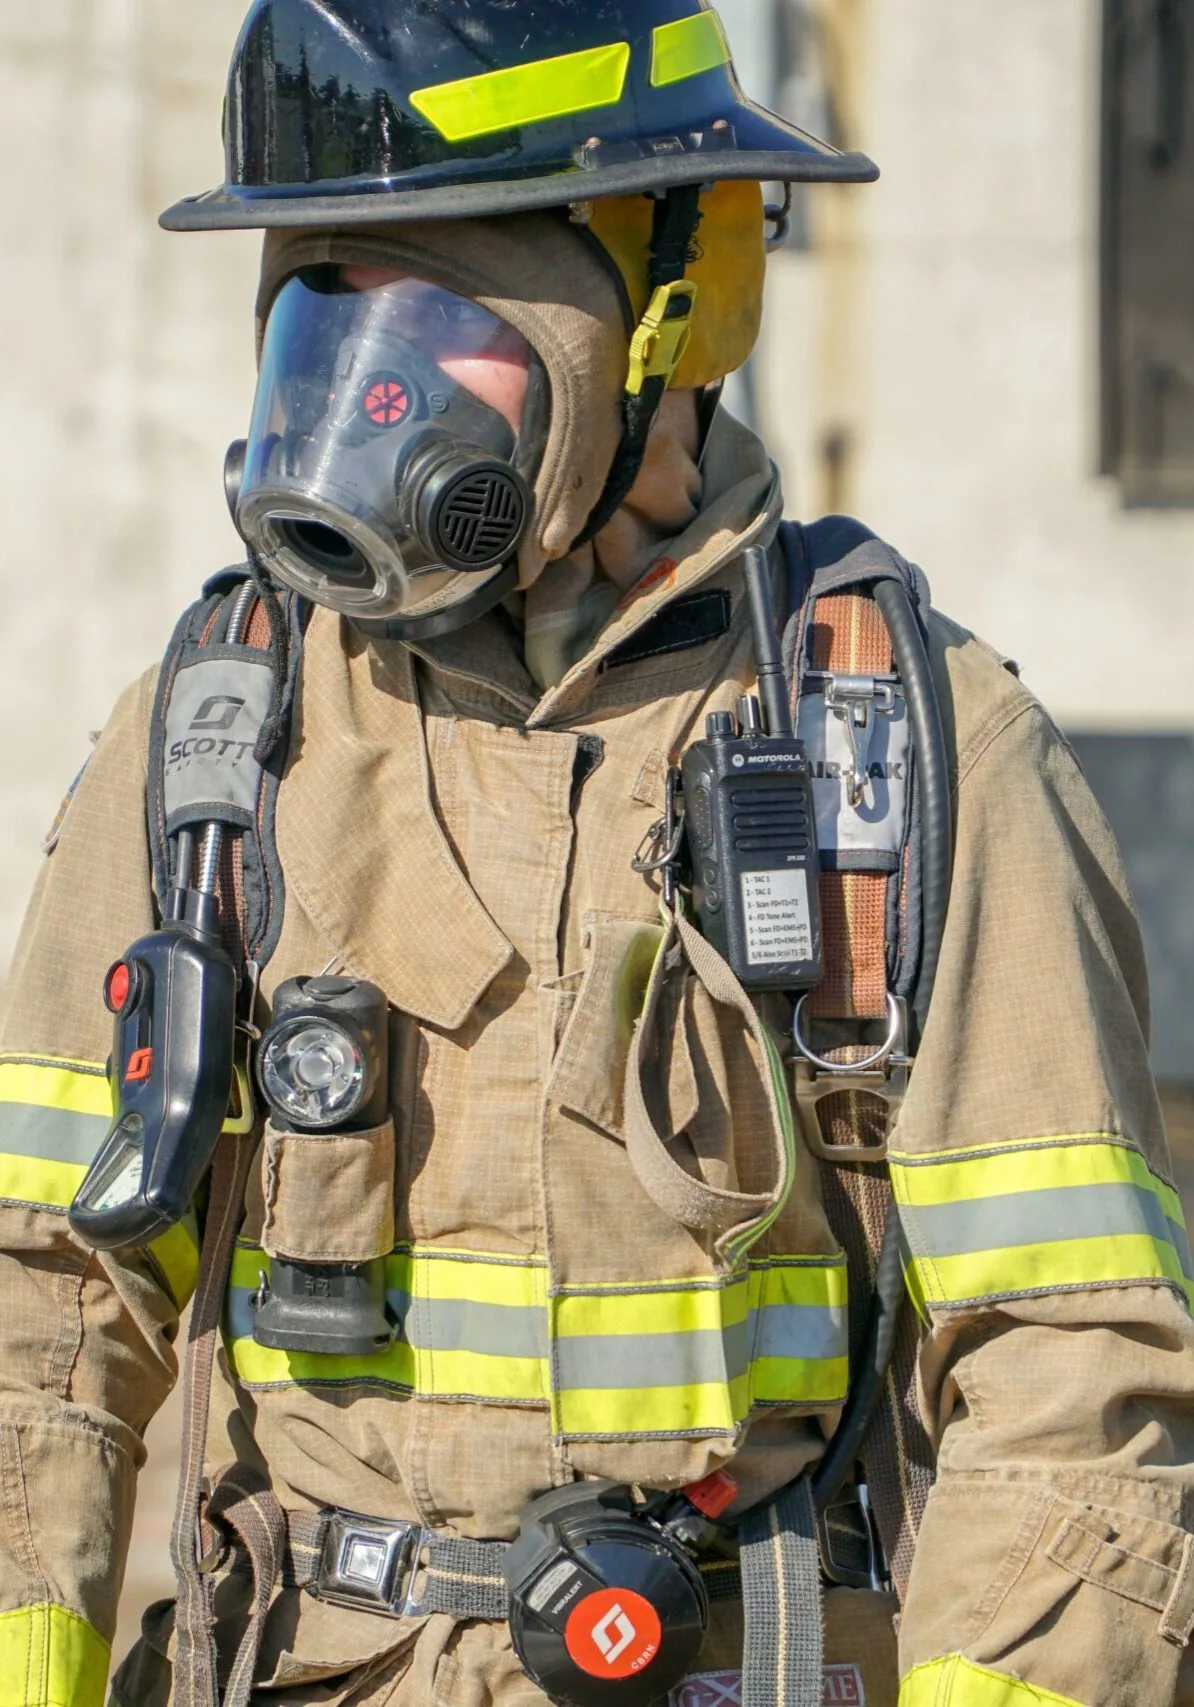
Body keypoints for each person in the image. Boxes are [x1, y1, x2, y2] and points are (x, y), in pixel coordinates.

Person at [1, 4, 1192, 1706]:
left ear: (662, 318)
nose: (364, 402)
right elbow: (41, 1302)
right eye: (323, 318)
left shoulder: (899, 746)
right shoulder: (218, 733)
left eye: (434, 320)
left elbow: (1070, 1378)